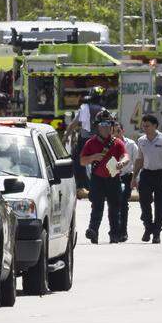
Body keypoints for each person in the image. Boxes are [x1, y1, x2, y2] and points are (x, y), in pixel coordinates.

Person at [80, 110, 129, 244]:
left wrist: (122, 163)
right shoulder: (90, 143)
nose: (106, 127)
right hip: (97, 179)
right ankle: (93, 231)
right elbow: (82, 161)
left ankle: (114, 234)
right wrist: (93, 157)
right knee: (97, 207)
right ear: (97, 126)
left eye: (108, 124)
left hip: (113, 179)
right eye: (102, 124)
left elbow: (126, 156)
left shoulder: (117, 142)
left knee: (114, 208)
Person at [132, 114, 162, 244]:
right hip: (146, 174)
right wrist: (134, 176)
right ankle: (148, 227)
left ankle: (156, 232)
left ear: (155, 126)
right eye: (143, 126)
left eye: (147, 126)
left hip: (161, 174)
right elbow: (139, 159)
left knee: (160, 205)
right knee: (144, 203)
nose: (145, 128)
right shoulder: (141, 140)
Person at [65, 87, 104, 190]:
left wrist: (65, 136)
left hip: (85, 140)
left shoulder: (84, 108)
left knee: (78, 161)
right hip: (98, 141)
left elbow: (73, 124)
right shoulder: (103, 110)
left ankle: (81, 185)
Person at [113, 122, 138, 243]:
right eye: (114, 131)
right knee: (114, 205)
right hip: (112, 177)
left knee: (123, 204)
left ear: (122, 131)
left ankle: (123, 231)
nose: (116, 134)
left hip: (126, 177)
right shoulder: (109, 144)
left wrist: (136, 179)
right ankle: (114, 231)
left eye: (118, 131)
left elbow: (138, 161)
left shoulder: (131, 144)